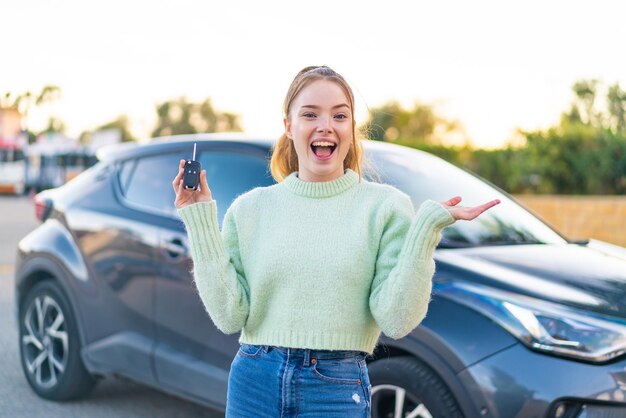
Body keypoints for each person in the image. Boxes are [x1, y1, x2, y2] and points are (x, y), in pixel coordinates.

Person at [172, 65, 500, 417]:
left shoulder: (385, 207)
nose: (325, 125)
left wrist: (426, 231)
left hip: (336, 387)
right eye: (310, 114)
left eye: (339, 115)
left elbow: (397, 320)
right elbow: (228, 316)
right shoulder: (250, 209)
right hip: (255, 378)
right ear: (289, 126)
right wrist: (200, 219)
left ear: (351, 128)